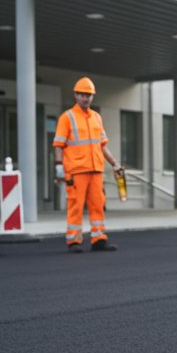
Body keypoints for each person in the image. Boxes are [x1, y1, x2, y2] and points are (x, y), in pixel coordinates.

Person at [53, 77, 124, 253]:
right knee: (76, 206)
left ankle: (99, 239)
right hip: (76, 171)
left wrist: (114, 163)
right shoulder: (67, 117)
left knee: (98, 205)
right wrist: (59, 167)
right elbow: (58, 145)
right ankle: (74, 241)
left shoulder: (97, 118)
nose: (86, 98)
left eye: (89, 95)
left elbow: (102, 146)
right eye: (83, 95)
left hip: (96, 170)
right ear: (76, 95)